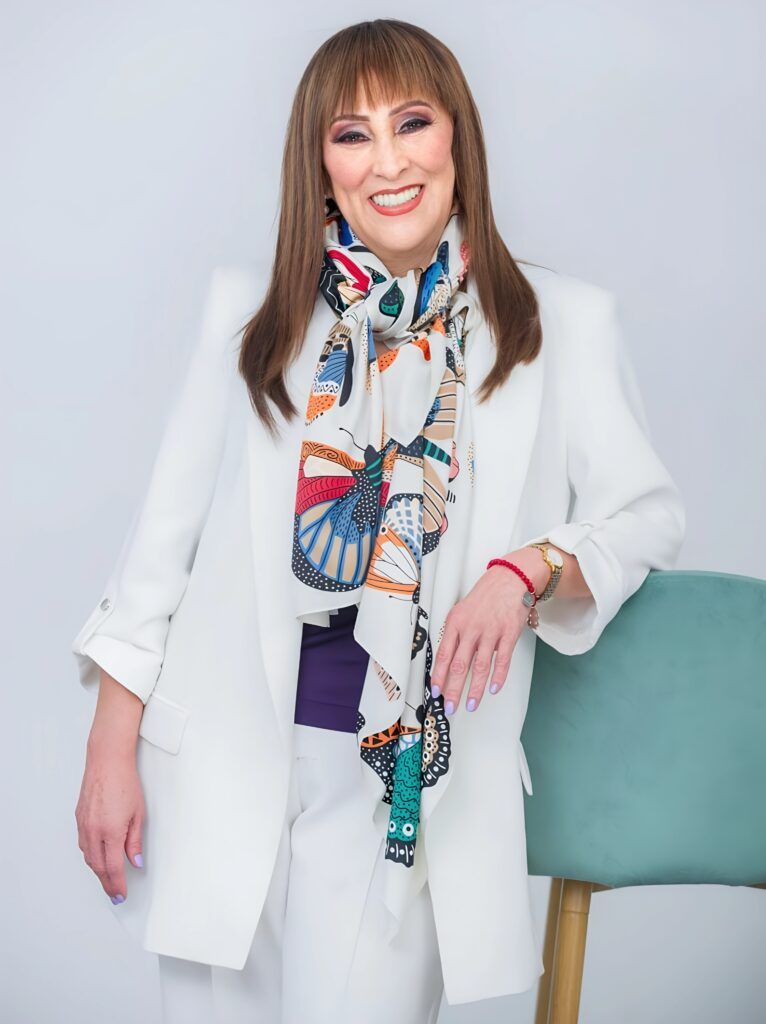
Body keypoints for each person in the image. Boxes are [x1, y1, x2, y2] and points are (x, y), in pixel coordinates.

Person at [72, 18, 686, 1024]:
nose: (389, 162)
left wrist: (528, 569)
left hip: (404, 776)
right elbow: (156, 558)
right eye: (352, 135)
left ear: (458, 140)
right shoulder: (249, 315)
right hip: (219, 761)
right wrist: (109, 754)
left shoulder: (562, 323)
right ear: (320, 167)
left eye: (412, 123)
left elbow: (647, 515)